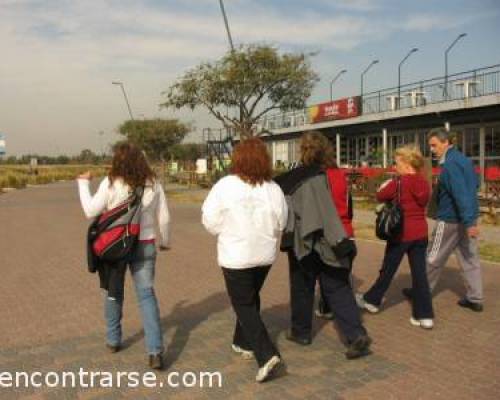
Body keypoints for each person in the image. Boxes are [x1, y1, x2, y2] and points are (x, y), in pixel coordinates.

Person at [275, 131, 372, 359]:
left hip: (307, 238)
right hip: (337, 237)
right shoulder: (339, 175)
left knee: (302, 285)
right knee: (338, 287)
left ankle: (301, 332)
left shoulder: (298, 178)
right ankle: (355, 334)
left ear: (303, 151)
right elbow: (347, 209)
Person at [201, 138, 287, 383]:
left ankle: (266, 353)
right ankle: (242, 341)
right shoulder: (272, 188)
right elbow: (282, 220)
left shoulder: (225, 185)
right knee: (250, 297)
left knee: (244, 305)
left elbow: (209, 220)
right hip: (264, 255)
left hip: (236, 255)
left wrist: (225, 228)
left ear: (237, 159)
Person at [77, 143, 170, 369]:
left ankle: (113, 340)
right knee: (146, 295)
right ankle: (155, 352)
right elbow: (164, 217)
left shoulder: (110, 184)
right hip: (145, 244)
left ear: (117, 161)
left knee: (113, 292)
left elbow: (90, 211)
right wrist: (165, 241)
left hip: (116, 247)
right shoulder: (154, 183)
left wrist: (82, 183)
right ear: (141, 160)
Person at [403, 129, 483, 312]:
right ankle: (475, 298)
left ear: (446, 142)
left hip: (449, 220)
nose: (432, 149)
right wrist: (470, 220)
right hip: (465, 218)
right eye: (430, 145)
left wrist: (470, 222)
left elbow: (461, 194)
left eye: (434, 145)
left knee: (432, 257)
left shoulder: (451, 164)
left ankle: (420, 293)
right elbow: (474, 185)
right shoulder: (464, 160)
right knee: (469, 259)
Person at [355, 146, 434, 329]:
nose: (395, 165)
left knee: (388, 269)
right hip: (421, 233)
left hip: (401, 233)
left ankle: (372, 301)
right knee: (420, 275)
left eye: (397, 162)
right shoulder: (424, 182)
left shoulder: (399, 182)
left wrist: (387, 185)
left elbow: (380, 195)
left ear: (407, 164)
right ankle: (425, 316)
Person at [316, 158, 355, 320]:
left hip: (330, 234)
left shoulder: (320, 179)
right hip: (347, 233)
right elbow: (349, 208)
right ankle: (330, 307)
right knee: (342, 276)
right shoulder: (342, 177)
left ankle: (332, 309)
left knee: (329, 277)